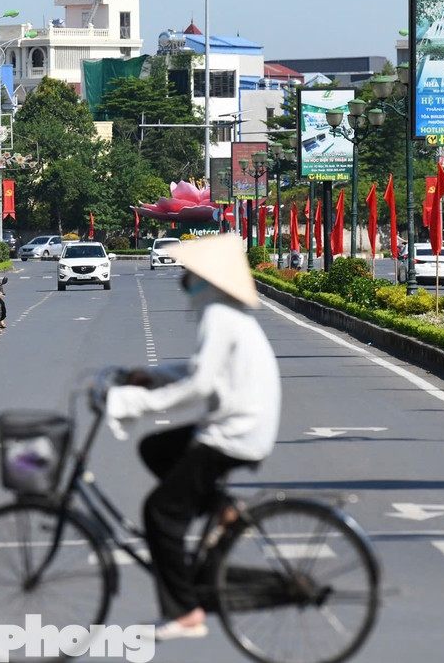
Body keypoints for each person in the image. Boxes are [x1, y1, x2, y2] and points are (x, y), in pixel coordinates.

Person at [104, 234, 281, 641]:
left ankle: (185, 613)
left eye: (191, 271)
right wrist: (153, 376)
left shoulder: (220, 315)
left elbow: (200, 385)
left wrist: (136, 403)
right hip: (238, 424)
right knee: (155, 447)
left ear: (209, 277)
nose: (185, 278)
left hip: (235, 432)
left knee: (160, 513)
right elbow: (201, 369)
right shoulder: (223, 313)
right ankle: (222, 507)